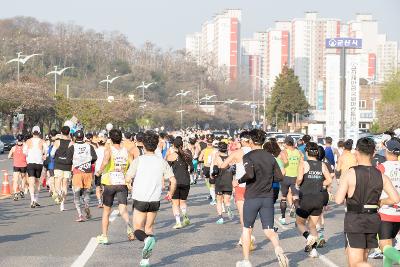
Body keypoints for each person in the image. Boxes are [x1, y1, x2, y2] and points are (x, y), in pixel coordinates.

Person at [335, 137, 400, 267]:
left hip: (355, 219)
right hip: (373, 219)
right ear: (374, 153)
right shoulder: (381, 175)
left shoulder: (351, 173)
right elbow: (395, 198)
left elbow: (338, 200)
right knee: (362, 259)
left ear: (356, 151)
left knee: (356, 263)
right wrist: (380, 203)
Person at [234, 129, 289, 267]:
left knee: (247, 229)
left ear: (251, 141)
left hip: (252, 196)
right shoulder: (270, 157)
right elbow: (279, 177)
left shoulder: (248, 156)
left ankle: (246, 261)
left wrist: (239, 180)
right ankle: (279, 250)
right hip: (267, 197)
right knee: (269, 230)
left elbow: (250, 175)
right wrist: (267, 179)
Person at [126, 131, 177, 267]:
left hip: (140, 199)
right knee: (149, 228)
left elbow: (128, 177)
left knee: (137, 228)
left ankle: (146, 241)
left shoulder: (139, 160)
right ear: (156, 146)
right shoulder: (162, 162)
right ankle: (145, 259)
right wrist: (170, 193)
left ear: (143, 145)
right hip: (155, 200)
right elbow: (173, 180)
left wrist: (129, 185)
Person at [96, 129, 135, 243]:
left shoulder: (109, 150)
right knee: (123, 209)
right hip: (122, 183)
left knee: (106, 211)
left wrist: (99, 172)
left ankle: (105, 236)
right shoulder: (127, 152)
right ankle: (129, 228)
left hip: (109, 183)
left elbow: (105, 162)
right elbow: (132, 166)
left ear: (111, 139)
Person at [295, 142, 332, 258]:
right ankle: (314, 250)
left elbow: (300, 178)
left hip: (306, 198)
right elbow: (329, 180)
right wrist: (319, 183)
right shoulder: (322, 165)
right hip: (318, 199)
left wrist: (297, 185)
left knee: (299, 223)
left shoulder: (304, 163)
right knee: (312, 225)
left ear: (306, 152)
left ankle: (308, 237)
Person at [221, 131, 256, 247]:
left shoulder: (237, 152)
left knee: (243, 216)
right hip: (255, 186)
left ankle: (247, 238)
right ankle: (245, 237)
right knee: (251, 215)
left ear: (242, 141)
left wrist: (233, 164)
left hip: (241, 186)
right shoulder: (256, 152)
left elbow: (223, 165)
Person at [369, 138, 400, 259]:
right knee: (390, 249)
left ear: (387, 151)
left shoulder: (382, 167)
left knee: (385, 249)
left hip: (386, 211)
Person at [67, 130, 97, 222]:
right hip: (87, 171)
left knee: (76, 194)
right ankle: (87, 205)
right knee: (86, 192)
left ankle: (80, 215)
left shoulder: (72, 147)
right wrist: (87, 162)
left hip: (77, 172)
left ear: (75, 137)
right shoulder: (89, 146)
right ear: (83, 137)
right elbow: (95, 157)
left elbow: (68, 160)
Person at [166, 137, 193, 229]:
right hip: (186, 181)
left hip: (175, 182)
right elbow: (192, 168)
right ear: (182, 145)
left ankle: (178, 222)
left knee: (175, 204)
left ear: (173, 145)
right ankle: (185, 217)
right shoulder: (188, 154)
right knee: (183, 202)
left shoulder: (172, 155)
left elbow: (165, 168)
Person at [279, 136, 303, 224]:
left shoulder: (283, 152)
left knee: (283, 198)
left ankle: (283, 218)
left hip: (285, 177)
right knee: (296, 198)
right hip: (295, 177)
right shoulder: (299, 152)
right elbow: (302, 164)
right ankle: (298, 220)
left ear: (285, 143)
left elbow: (280, 162)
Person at [24, 126, 47, 208]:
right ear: (39, 133)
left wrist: (29, 154)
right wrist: (44, 154)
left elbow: (24, 152)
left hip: (30, 163)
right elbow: (46, 150)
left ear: (32, 133)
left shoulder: (28, 141)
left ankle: (32, 200)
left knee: (31, 182)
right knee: (37, 182)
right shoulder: (42, 141)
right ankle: (36, 199)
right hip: (39, 163)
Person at [51, 126, 73, 211]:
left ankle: (59, 193)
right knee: (65, 184)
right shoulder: (71, 143)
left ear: (61, 132)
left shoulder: (57, 142)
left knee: (58, 181)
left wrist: (54, 157)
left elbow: (52, 153)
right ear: (69, 132)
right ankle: (62, 205)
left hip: (58, 163)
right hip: (67, 165)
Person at [212, 141, 234, 224]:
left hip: (220, 181)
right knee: (227, 200)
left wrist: (212, 175)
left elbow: (215, 170)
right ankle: (228, 208)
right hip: (229, 180)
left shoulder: (217, 157)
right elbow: (233, 170)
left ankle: (220, 218)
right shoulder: (231, 158)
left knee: (219, 200)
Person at [8, 134, 27, 201]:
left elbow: (9, 156)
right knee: (23, 179)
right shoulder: (25, 147)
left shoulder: (13, 148)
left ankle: (16, 194)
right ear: (23, 139)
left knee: (15, 180)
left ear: (17, 139)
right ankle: (22, 191)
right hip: (24, 165)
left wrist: (14, 157)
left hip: (16, 165)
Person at [199, 136, 216, 205]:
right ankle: (213, 194)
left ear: (207, 143)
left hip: (206, 167)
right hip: (214, 167)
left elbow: (200, 159)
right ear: (212, 143)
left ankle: (211, 194)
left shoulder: (204, 150)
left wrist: (204, 160)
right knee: (213, 181)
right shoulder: (215, 150)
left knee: (207, 181)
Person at [94, 136, 106, 208]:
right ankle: (104, 201)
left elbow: (93, 161)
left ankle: (99, 202)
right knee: (105, 187)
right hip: (105, 171)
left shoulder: (96, 151)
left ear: (98, 143)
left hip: (97, 170)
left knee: (98, 187)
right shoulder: (107, 150)